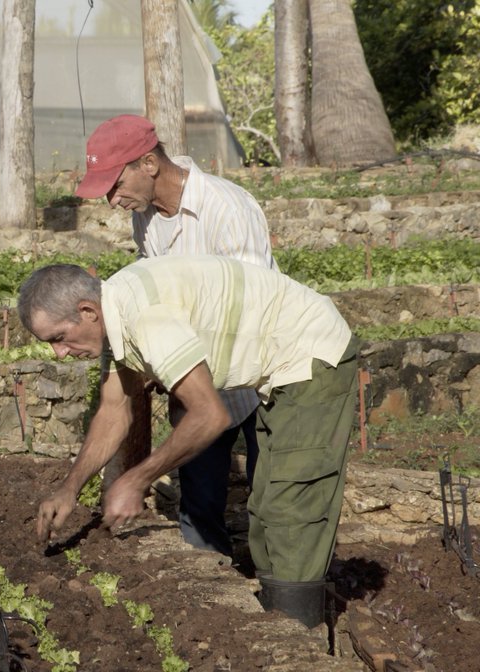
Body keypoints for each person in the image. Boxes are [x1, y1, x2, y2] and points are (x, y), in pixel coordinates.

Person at [20, 258, 359, 627]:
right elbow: (114, 412)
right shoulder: (116, 314)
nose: (59, 353)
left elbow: (209, 416)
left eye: (58, 338)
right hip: (279, 369)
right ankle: (278, 621)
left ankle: (297, 636)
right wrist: (69, 489)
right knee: (265, 505)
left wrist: (136, 480)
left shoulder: (146, 318)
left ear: (88, 312)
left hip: (310, 354)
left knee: (291, 504)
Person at [75, 114, 275, 558]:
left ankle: (275, 589)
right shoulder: (145, 218)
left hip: (261, 375)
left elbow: (251, 306)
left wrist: (166, 357)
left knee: (273, 502)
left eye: (115, 185)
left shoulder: (227, 208)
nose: (112, 200)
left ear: (148, 164)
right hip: (197, 377)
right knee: (199, 507)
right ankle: (214, 590)